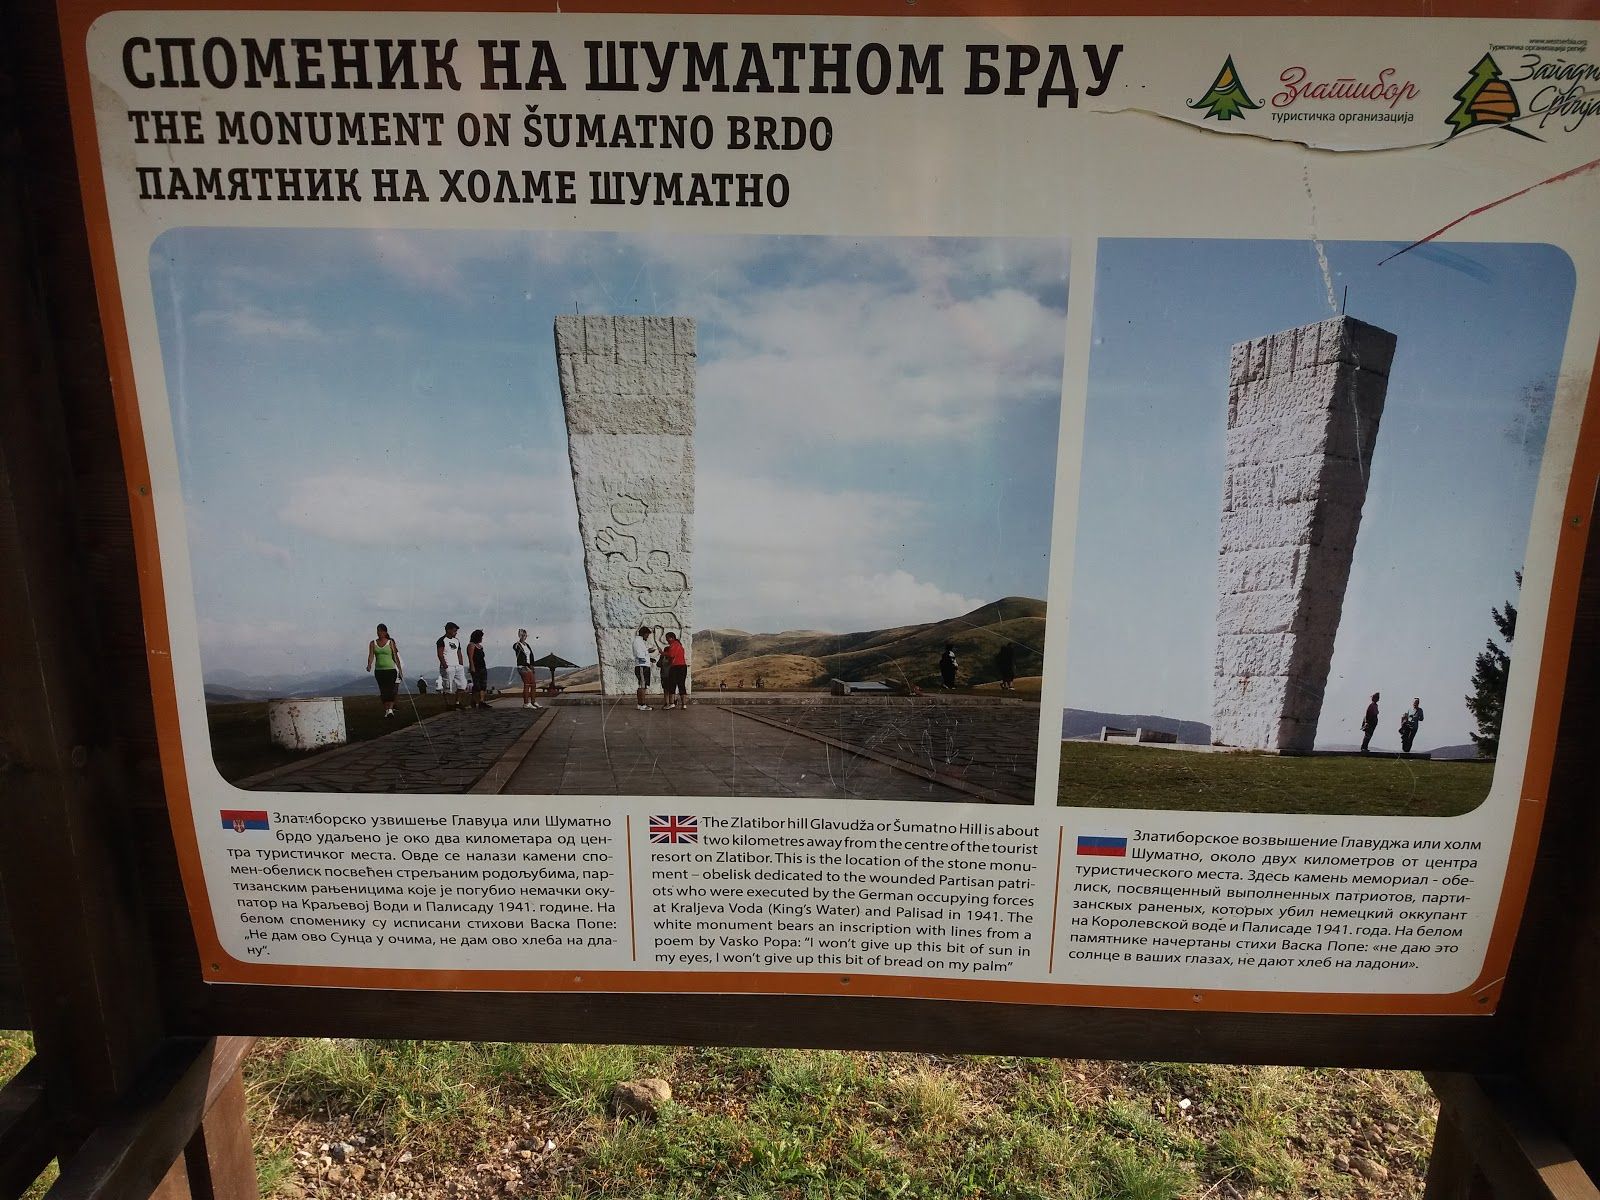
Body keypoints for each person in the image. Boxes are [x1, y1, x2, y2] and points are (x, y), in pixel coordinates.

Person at [365, 623, 404, 718]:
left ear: (385, 632)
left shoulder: (390, 642)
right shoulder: (372, 643)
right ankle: (387, 709)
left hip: (390, 669)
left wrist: (399, 669)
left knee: (390, 689)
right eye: (378, 631)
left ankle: (390, 709)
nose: (379, 633)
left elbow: (395, 656)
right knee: (383, 690)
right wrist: (369, 664)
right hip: (379, 670)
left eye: (381, 631)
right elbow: (371, 655)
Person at [437, 622, 467, 707]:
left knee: (462, 684)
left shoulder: (456, 641)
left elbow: (459, 652)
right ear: (448, 630)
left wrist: (461, 664)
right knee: (448, 686)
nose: (456, 632)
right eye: (454, 630)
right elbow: (440, 654)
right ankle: (448, 704)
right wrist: (445, 666)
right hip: (448, 665)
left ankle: (457, 702)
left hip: (457, 666)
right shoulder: (442, 640)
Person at [513, 629, 543, 711]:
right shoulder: (517, 645)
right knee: (527, 684)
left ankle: (533, 701)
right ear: (519, 636)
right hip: (523, 667)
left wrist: (532, 666)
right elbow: (516, 649)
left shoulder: (527, 645)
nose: (524, 637)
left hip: (529, 666)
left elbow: (531, 656)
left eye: (525, 635)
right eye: (522, 635)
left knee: (533, 684)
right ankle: (526, 703)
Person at [660, 631, 690, 709]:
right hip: (683, 666)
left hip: (676, 666)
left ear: (671, 638)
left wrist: (662, 653)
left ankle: (672, 703)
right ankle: (684, 704)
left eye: (667, 638)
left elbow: (671, 655)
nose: (667, 640)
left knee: (672, 685)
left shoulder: (674, 645)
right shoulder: (679, 645)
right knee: (681, 685)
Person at [632, 625, 656, 712]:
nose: (648, 637)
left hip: (643, 665)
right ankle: (642, 705)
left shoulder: (640, 641)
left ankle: (640, 704)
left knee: (642, 685)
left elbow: (642, 654)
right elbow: (639, 654)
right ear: (643, 633)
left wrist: (649, 659)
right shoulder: (637, 641)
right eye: (647, 635)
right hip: (642, 666)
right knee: (643, 686)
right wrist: (648, 651)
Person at [467, 629, 489, 708]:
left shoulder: (480, 646)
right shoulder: (471, 645)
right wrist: (472, 666)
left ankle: (481, 701)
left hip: (482, 666)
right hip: (476, 667)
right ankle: (473, 700)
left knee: (483, 684)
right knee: (477, 685)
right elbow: (470, 657)